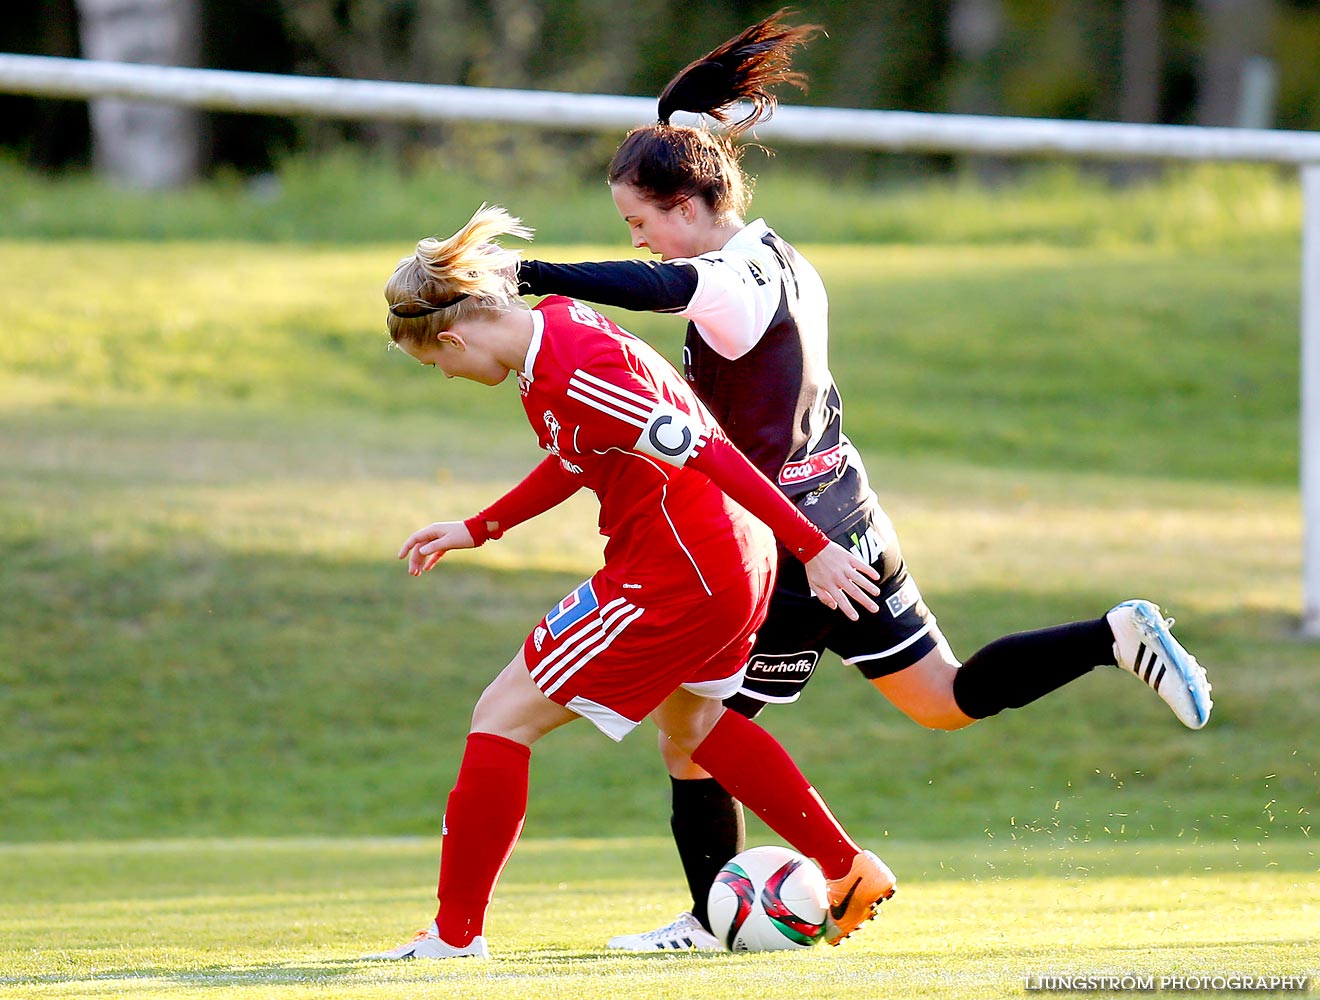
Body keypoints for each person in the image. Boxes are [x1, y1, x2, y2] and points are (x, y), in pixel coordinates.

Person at [513, 9, 1215, 952]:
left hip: (782, 542)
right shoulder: (784, 255)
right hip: (849, 511)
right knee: (943, 698)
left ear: (687, 207)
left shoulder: (720, 275)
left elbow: (645, 290)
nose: (639, 242)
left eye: (641, 223)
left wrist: (524, 273)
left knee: (690, 732)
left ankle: (734, 909)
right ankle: (1113, 635)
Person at [364, 204, 901, 961]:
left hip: (679, 572)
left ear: (452, 335)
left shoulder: (575, 369)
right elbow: (581, 452)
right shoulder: (553, 330)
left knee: (500, 717)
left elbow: (711, 450)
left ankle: (454, 937)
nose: (448, 375)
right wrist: (481, 525)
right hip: (724, 561)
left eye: (437, 365)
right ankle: (849, 870)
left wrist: (812, 545)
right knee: (696, 731)